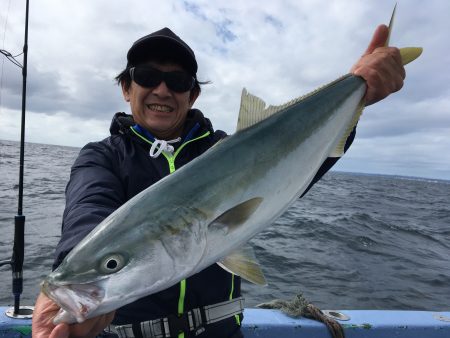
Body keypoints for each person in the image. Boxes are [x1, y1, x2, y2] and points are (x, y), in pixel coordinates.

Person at [32, 25, 405, 338]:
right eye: (147, 77)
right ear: (126, 88)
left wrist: (357, 95)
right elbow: (88, 212)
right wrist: (70, 272)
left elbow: (298, 168)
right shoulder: (102, 157)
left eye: (177, 81)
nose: (162, 90)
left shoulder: (227, 149)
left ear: (192, 95)